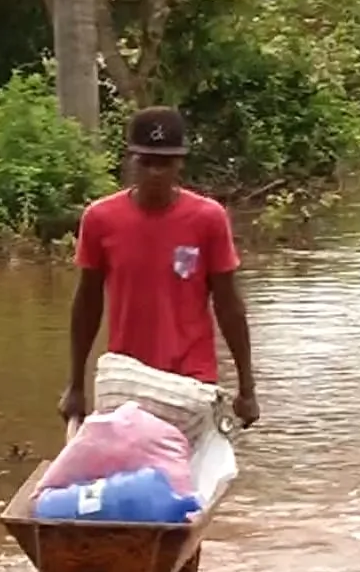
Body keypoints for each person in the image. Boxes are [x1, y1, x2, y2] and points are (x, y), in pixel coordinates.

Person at [62, 105, 260, 431]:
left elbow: (229, 306)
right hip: (128, 378)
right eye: (147, 162)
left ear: (180, 163)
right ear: (131, 161)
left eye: (165, 162)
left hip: (191, 378)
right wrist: (76, 385)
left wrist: (247, 388)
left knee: (185, 477)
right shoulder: (100, 219)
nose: (156, 172)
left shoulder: (207, 219)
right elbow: (87, 303)